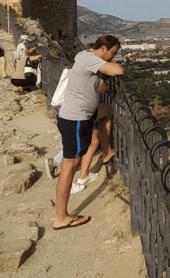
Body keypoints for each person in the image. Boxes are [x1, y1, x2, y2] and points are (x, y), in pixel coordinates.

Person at [53, 35, 123, 230]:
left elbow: (98, 86)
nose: (113, 56)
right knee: (69, 165)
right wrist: (111, 63)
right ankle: (62, 216)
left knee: (107, 110)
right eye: (113, 52)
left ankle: (106, 150)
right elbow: (118, 70)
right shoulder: (91, 59)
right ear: (103, 48)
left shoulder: (86, 57)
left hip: (85, 115)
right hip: (75, 119)